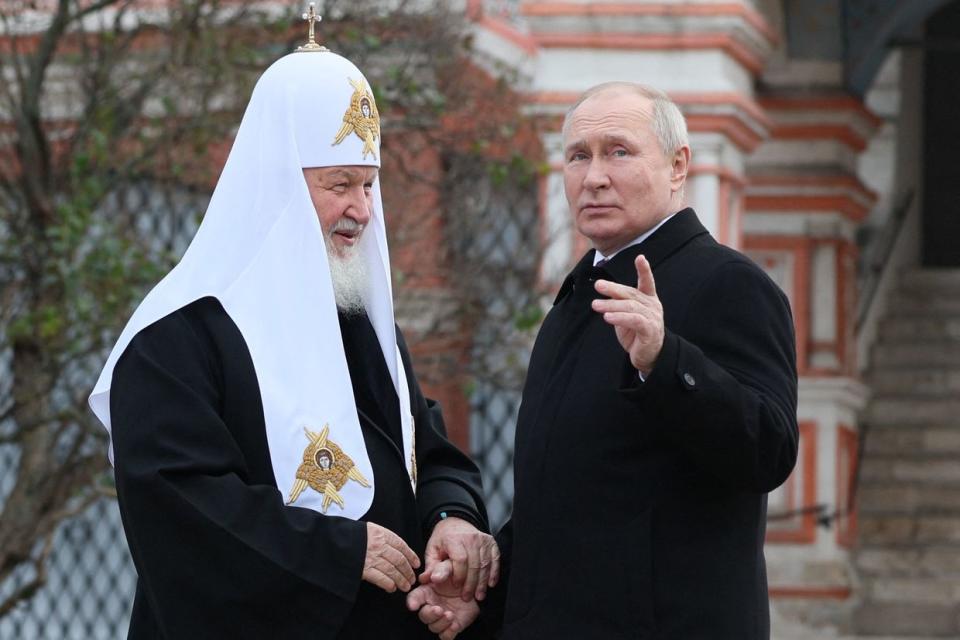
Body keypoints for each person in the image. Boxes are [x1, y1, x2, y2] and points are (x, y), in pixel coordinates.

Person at [88, 28, 498, 640]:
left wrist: (451, 516)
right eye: (339, 185)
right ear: (276, 182)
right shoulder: (177, 335)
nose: (361, 209)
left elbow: (428, 446)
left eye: (368, 184)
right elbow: (181, 510)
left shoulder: (357, 315)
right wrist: (335, 552)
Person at [410, 82, 799, 639]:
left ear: (677, 165)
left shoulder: (729, 283)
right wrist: (484, 592)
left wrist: (666, 361)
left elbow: (769, 449)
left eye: (619, 151)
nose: (594, 176)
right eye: (578, 156)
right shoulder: (577, 297)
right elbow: (570, 503)